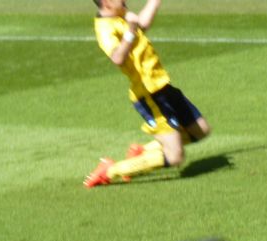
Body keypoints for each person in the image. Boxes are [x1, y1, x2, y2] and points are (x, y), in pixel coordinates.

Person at [85, 0, 210, 188]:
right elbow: (118, 57)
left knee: (201, 130)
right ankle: (110, 170)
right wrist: (130, 31)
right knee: (175, 157)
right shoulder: (104, 28)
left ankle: (143, 151)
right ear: (106, 2)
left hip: (162, 84)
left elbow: (141, 24)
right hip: (149, 94)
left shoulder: (120, 12)